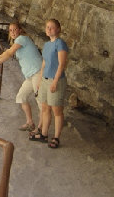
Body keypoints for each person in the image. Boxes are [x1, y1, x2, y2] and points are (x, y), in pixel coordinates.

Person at [0, 22, 42, 131]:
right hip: (31, 75)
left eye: (15, 29)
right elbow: (7, 52)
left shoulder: (22, 39)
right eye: (11, 30)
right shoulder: (17, 41)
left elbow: (9, 53)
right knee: (21, 97)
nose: (13, 32)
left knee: (41, 104)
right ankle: (30, 123)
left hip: (38, 73)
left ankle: (41, 130)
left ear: (19, 30)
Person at [30, 19, 68, 149]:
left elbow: (62, 64)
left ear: (58, 29)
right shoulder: (46, 45)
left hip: (56, 80)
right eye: (47, 27)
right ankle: (44, 133)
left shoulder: (60, 44)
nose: (49, 29)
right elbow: (44, 64)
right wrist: (40, 81)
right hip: (45, 79)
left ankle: (56, 137)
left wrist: (55, 81)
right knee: (45, 108)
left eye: (52, 27)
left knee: (57, 110)